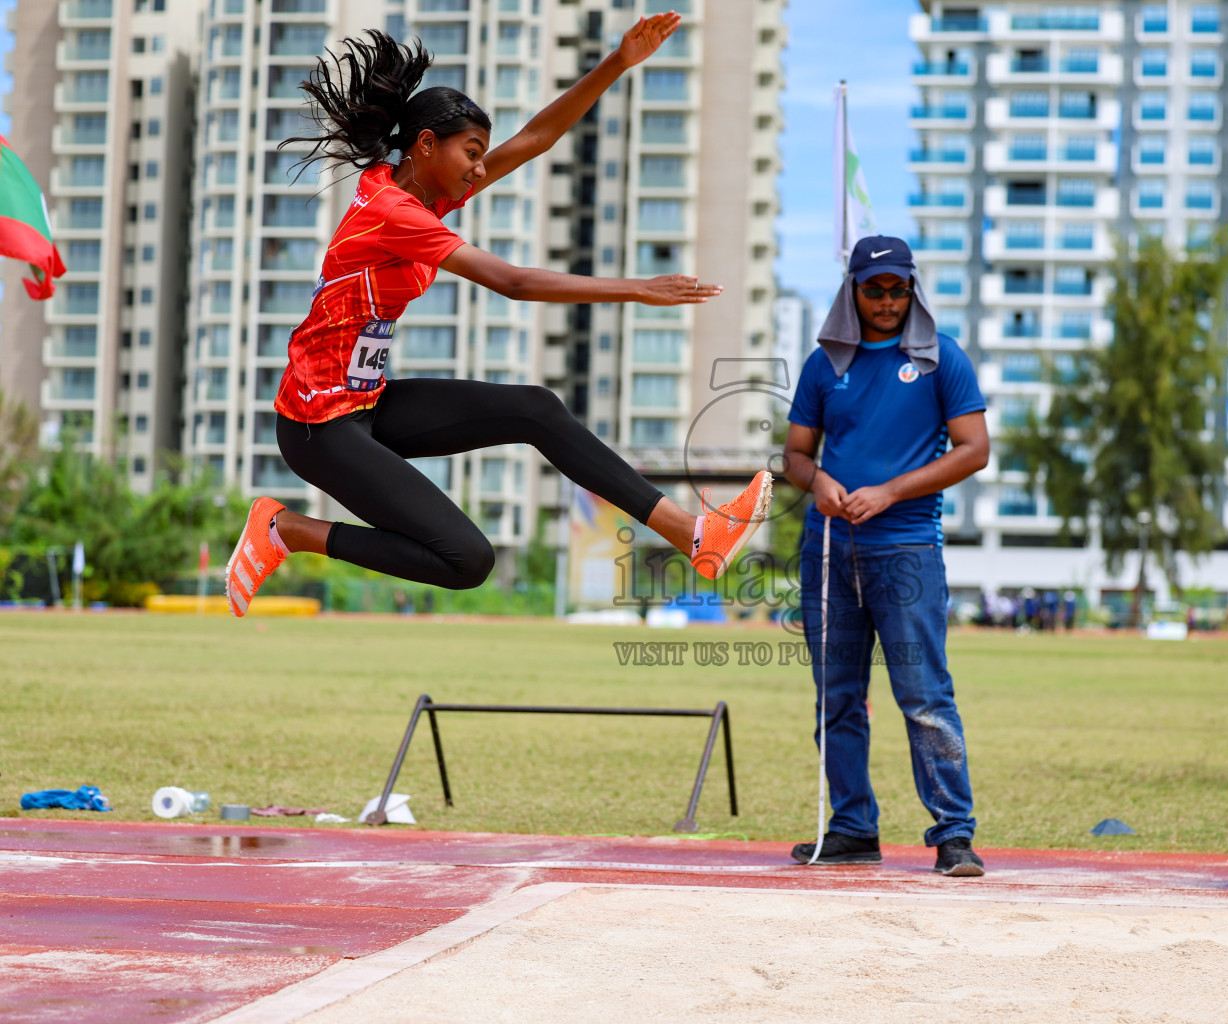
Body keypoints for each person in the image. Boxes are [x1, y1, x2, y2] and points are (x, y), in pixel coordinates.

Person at [222, 21, 770, 616]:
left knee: (535, 409)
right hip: (317, 426)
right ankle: (288, 531)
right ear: (427, 145)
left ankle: (692, 534)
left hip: (365, 404)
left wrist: (617, 62)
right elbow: (512, 282)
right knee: (468, 560)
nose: (480, 170)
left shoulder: (420, 194)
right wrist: (637, 288)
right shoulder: (391, 212)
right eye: (473, 155)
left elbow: (535, 137)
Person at [782, 236, 989, 877]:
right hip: (828, 553)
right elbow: (794, 455)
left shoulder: (939, 360)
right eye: (874, 289)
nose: (888, 301)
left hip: (906, 554)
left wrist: (891, 491)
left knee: (924, 694)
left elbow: (973, 449)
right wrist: (818, 483)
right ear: (853, 291)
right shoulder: (823, 364)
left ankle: (954, 835)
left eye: (899, 288)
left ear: (913, 289)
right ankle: (851, 829)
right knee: (836, 698)